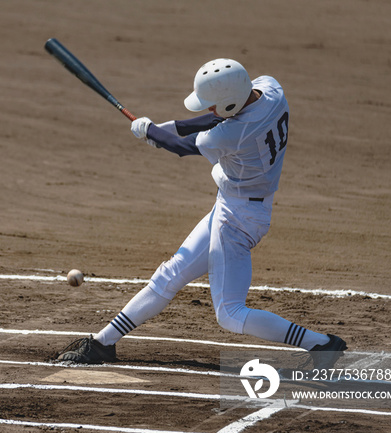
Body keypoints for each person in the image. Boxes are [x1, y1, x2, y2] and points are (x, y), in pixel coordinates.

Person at [57, 58, 347, 370]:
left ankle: (320, 343)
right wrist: (164, 128)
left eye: (213, 105)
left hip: (237, 219)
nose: (208, 110)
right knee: (171, 273)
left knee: (230, 313)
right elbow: (211, 121)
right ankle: (104, 342)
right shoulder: (270, 88)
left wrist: (152, 132)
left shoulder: (233, 134)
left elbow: (184, 146)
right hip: (236, 205)